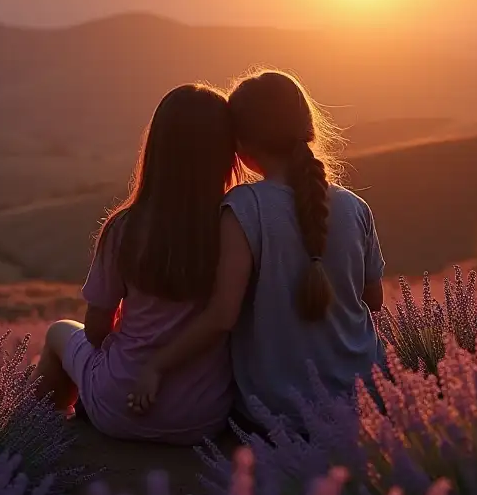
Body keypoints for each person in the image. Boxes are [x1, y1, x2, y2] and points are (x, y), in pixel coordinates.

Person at [128, 70, 385, 431]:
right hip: (367, 401)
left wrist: (157, 365)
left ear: (241, 145)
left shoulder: (244, 206)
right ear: (307, 127)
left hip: (278, 411)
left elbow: (222, 317)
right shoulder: (354, 207)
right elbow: (373, 300)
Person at [35, 83, 240, 444]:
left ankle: (36, 441)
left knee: (57, 333)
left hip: (121, 405)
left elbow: (97, 331)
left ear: (157, 149)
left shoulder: (125, 228)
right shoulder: (236, 228)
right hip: (205, 417)